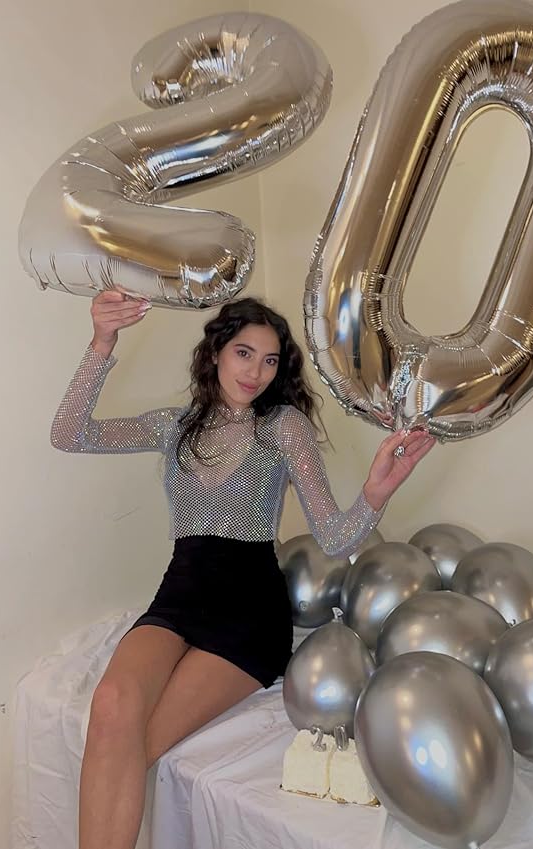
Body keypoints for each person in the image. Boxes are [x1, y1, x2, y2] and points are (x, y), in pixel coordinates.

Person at [51, 289, 436, 849]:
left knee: (138, 743)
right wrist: (103, 340)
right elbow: (70, 434)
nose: (256, 372)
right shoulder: (174, 426)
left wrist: (377, 492)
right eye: (244, 353)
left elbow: (334, 537)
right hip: (178, 597)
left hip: (248, 615)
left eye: (270, 360)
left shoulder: (282, 426)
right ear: (215, 353)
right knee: (111, 708)